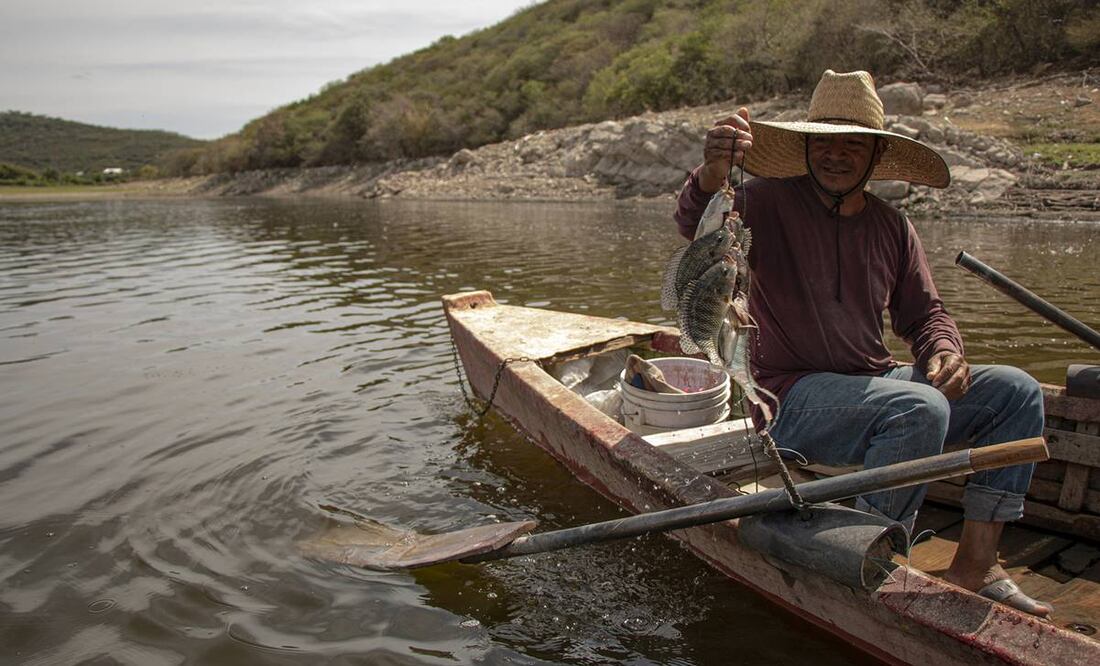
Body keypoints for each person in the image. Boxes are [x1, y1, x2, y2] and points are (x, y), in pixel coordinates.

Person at [673, 70, 1052, 617]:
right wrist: (712, 172)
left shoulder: (892, 226)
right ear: (806, 149)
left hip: (872, 383)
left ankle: (976, 565)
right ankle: (867, 558)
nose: (836, 155)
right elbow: (696, 224)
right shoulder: (764, 202)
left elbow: (925, 315)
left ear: (876, 155)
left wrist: (945, 351)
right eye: (824, 143)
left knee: (1016, 391)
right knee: (918, 408)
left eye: (853, 144)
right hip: (789, 398)